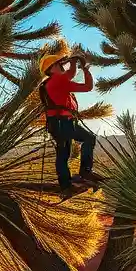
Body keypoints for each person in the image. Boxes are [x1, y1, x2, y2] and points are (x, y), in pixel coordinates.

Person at [39, 54, 103, 195]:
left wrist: (73, 62)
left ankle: (67, 185)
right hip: (63, 123)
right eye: (59, 64)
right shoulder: (58, 79)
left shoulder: (52, 82)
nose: (63, 66)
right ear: (52, 68)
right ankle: (82, 174)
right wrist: (84, 68)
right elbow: (87, 86)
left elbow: (71, 74)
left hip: (59, 123)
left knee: (64, 153)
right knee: (86, 140)